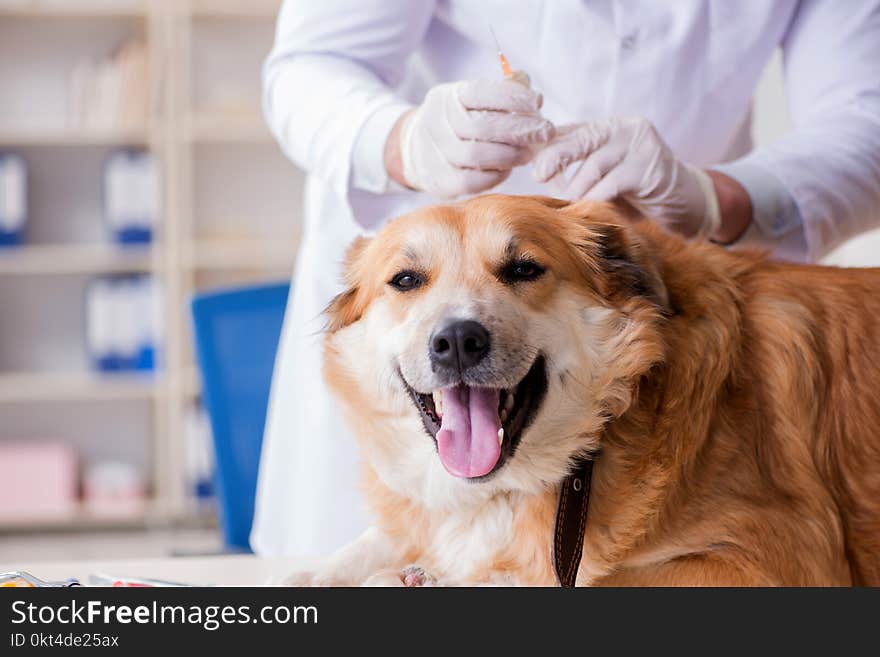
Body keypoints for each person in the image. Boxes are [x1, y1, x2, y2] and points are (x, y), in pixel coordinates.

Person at [252, 0, 880, 556]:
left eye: (518, 270)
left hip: (650, 297)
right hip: (404, 229)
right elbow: (309, 66)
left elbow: (866, 113)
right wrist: (404, 142)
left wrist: (717, 199)